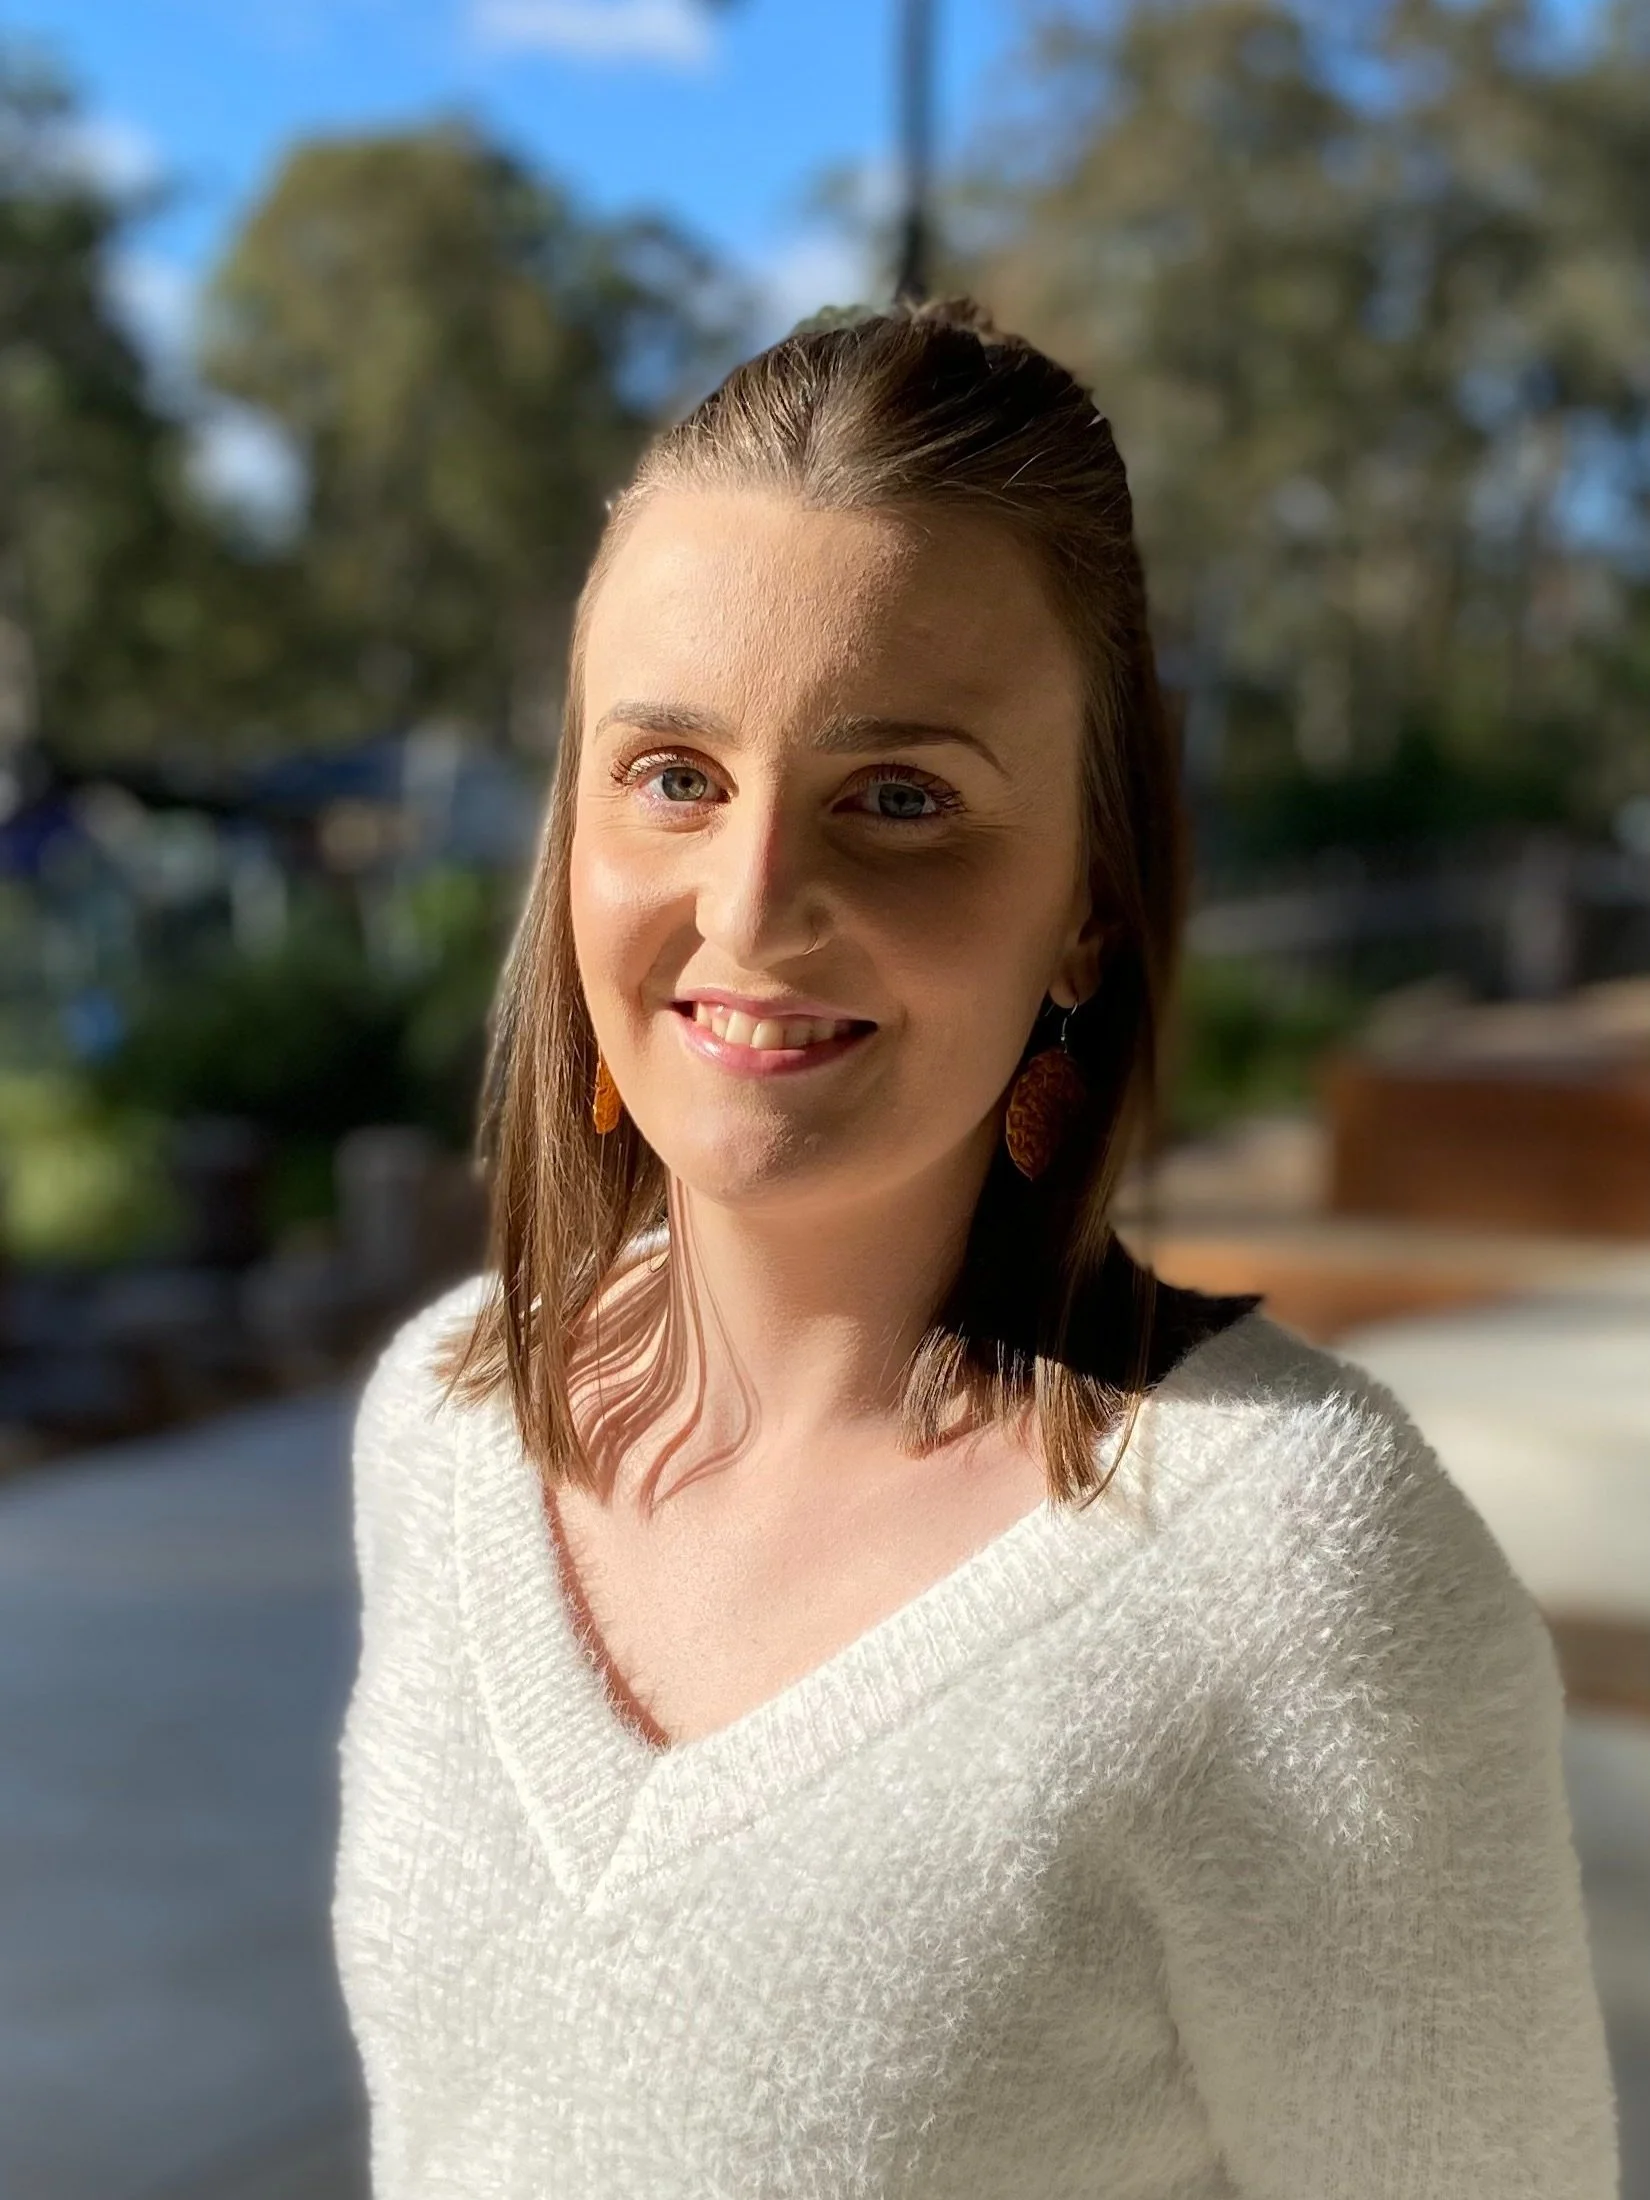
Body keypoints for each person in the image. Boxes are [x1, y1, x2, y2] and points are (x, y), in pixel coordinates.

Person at [330, 298, 1619, 2198]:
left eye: (901, 799)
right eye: (673, 774)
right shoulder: (445, 1424)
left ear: (1088, 899)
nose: (754, 904)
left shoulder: (1294, 1574)